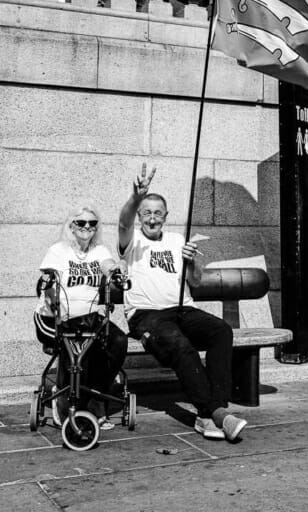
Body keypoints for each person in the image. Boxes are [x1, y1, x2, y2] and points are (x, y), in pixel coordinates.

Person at [118, 164, 247, 442]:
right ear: (140, 215)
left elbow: (196, 280)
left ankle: (212, 410)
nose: (152, 219)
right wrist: (136, 197)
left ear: (166, 216)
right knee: (180, 345)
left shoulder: (177, 240)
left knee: (221, 331)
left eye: (158, 213)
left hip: (183, 309)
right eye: (146, 213)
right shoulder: (133, 240)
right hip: (146, 315)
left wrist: (192, 261)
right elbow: (123, 223)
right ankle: (216, 413)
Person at [34, 201, 128, 428]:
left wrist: (116, 268)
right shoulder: (59, 250)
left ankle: (96, 399)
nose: (87, 227)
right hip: (54, 317)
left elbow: (106, 265)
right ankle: (62, 399)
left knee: (117, 340)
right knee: (74, 343)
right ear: (72, 225)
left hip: (88, 317)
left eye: (92, 223)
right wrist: (52, 294)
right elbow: (47, 281)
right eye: (81, 222)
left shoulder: (99, 251)